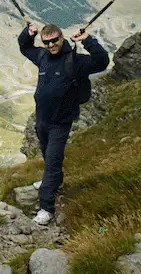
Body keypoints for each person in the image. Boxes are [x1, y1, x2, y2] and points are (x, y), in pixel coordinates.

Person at [18, 23, 109, 226]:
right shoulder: (42, 57)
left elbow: (102, 61)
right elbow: (25, 47)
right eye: (46, 42)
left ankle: (46, 208)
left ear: (62, 38)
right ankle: (55, 183)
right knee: (47, 155)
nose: (51, 45)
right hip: (41, 119)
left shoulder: (75, 61)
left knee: (52, 162)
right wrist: (28, 34)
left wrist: (87, 39)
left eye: (54, 40)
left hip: (61, 122)